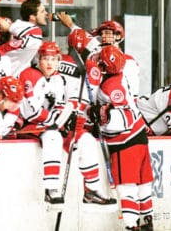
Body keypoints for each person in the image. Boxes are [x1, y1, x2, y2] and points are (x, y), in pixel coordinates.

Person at [18, 41, 116, 208]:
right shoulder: (30, 75)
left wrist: (68, 117)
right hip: (30, 125)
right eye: (45, 59)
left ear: (58, 61)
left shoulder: (58, 79)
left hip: (52, 123)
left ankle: (91, 190)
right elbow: (30, 111)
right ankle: (51, 189)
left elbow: (60, 105)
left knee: (86, 140)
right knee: (53, 137)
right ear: (38, 60)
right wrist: (57, 120)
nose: (49, 63)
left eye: (53, 59)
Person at [94, 45, 154, 231]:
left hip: (125, 141)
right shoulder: (121, 75)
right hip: (140, 137)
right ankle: (147, 221)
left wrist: (103, 115)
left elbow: (123, 118)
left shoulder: (110, 86)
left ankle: (131, 225)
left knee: (126, 186)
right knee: (143, 183)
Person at [0, 0, 47, 77]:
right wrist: (8, 26)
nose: (46, 13)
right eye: (42, 11)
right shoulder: (33, 32)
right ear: (32, 17)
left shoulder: (23, 32)